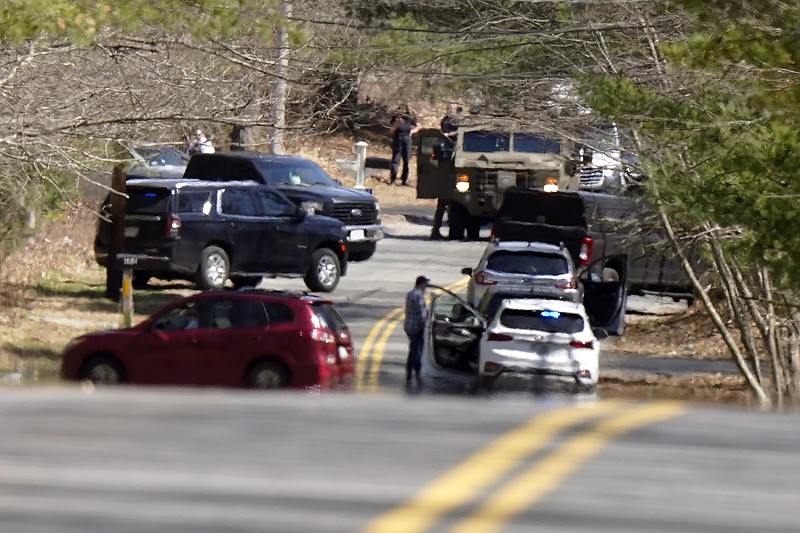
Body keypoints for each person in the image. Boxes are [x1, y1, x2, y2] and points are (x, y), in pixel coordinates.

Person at [431, 104, 463, 240]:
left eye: (452, 109)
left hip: (458, 155)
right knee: (443, 202)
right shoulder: (445, 120)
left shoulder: (459, 121)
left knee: (453, 204)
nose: (449, 110)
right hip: (446, 162)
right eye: (448, 108)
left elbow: (461, 133)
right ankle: (436, 230)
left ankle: (453, 232)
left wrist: (449, 135)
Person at [403, 275, 430, 385]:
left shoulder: (410, 294)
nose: (426, 287)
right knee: (417, 350)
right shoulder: (419, 296)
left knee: (412, 348)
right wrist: (425, 323)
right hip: (416, 326)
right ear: (421, 284)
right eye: (425, 284)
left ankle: (409, 371)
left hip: (408, 325)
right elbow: (420, 313)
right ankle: (416, 372)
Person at [389, 106, 421, 186]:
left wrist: (412, 131)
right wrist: (396, 123)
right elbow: (391, 131)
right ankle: (393, 179)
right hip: (398, 138)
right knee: (396, 159)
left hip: (407, 139)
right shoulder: (395, 118)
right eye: (400, 110)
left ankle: (404, 180)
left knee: (406, 160)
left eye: (403, 110)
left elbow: (419, 126)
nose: (402, 112)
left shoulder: (409, 118)